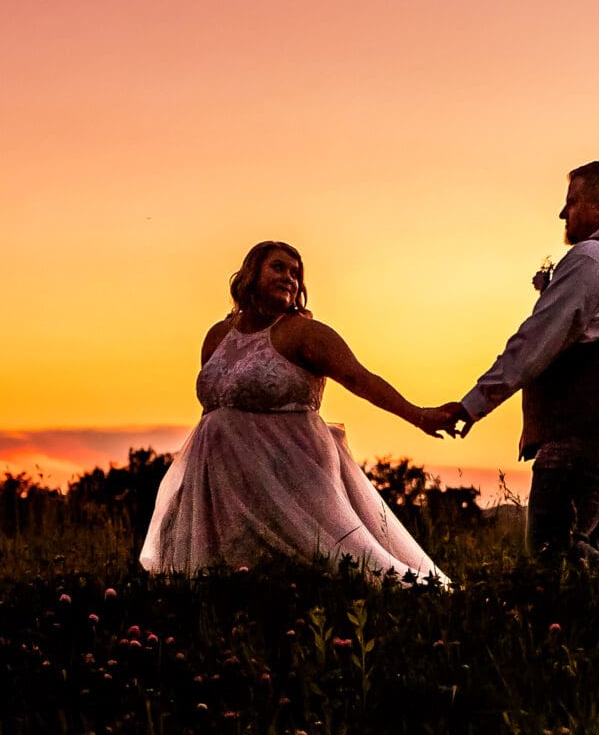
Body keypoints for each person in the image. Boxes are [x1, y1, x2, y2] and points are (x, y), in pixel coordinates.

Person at [414, 161, 599, 578]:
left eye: (571, 202)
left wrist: (470, 406)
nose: (562, 213)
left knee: (553, 552)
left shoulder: (594, 257)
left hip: (590, 431)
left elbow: (535, 344)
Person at [141, 240, 446, 581]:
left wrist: (419, 416)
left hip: (291, 468)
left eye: (296, 274)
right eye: (278, 267)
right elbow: (211, 410)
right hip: (224, 475)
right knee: (229, 576)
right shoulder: (217, 335)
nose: (290, 278)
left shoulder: (305, 333)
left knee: (321, 567)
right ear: (250, 273)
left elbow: (360, 379)